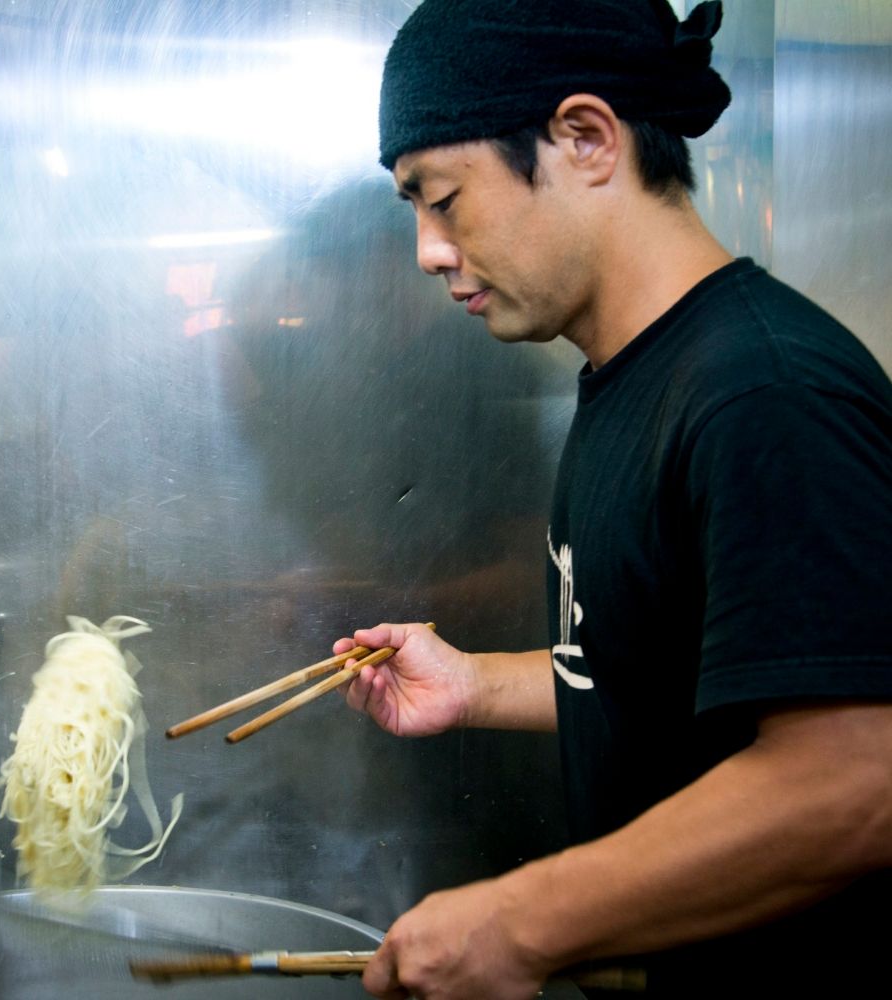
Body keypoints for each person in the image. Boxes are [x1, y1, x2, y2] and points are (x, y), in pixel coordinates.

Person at [333, 1, 892, 998]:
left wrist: (521, 920)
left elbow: (858, 781)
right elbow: (664, 676)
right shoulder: (632, 376)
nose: (426, 249)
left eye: (443, 198)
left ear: (585, 138)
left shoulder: (762, 391)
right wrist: (475, 683)